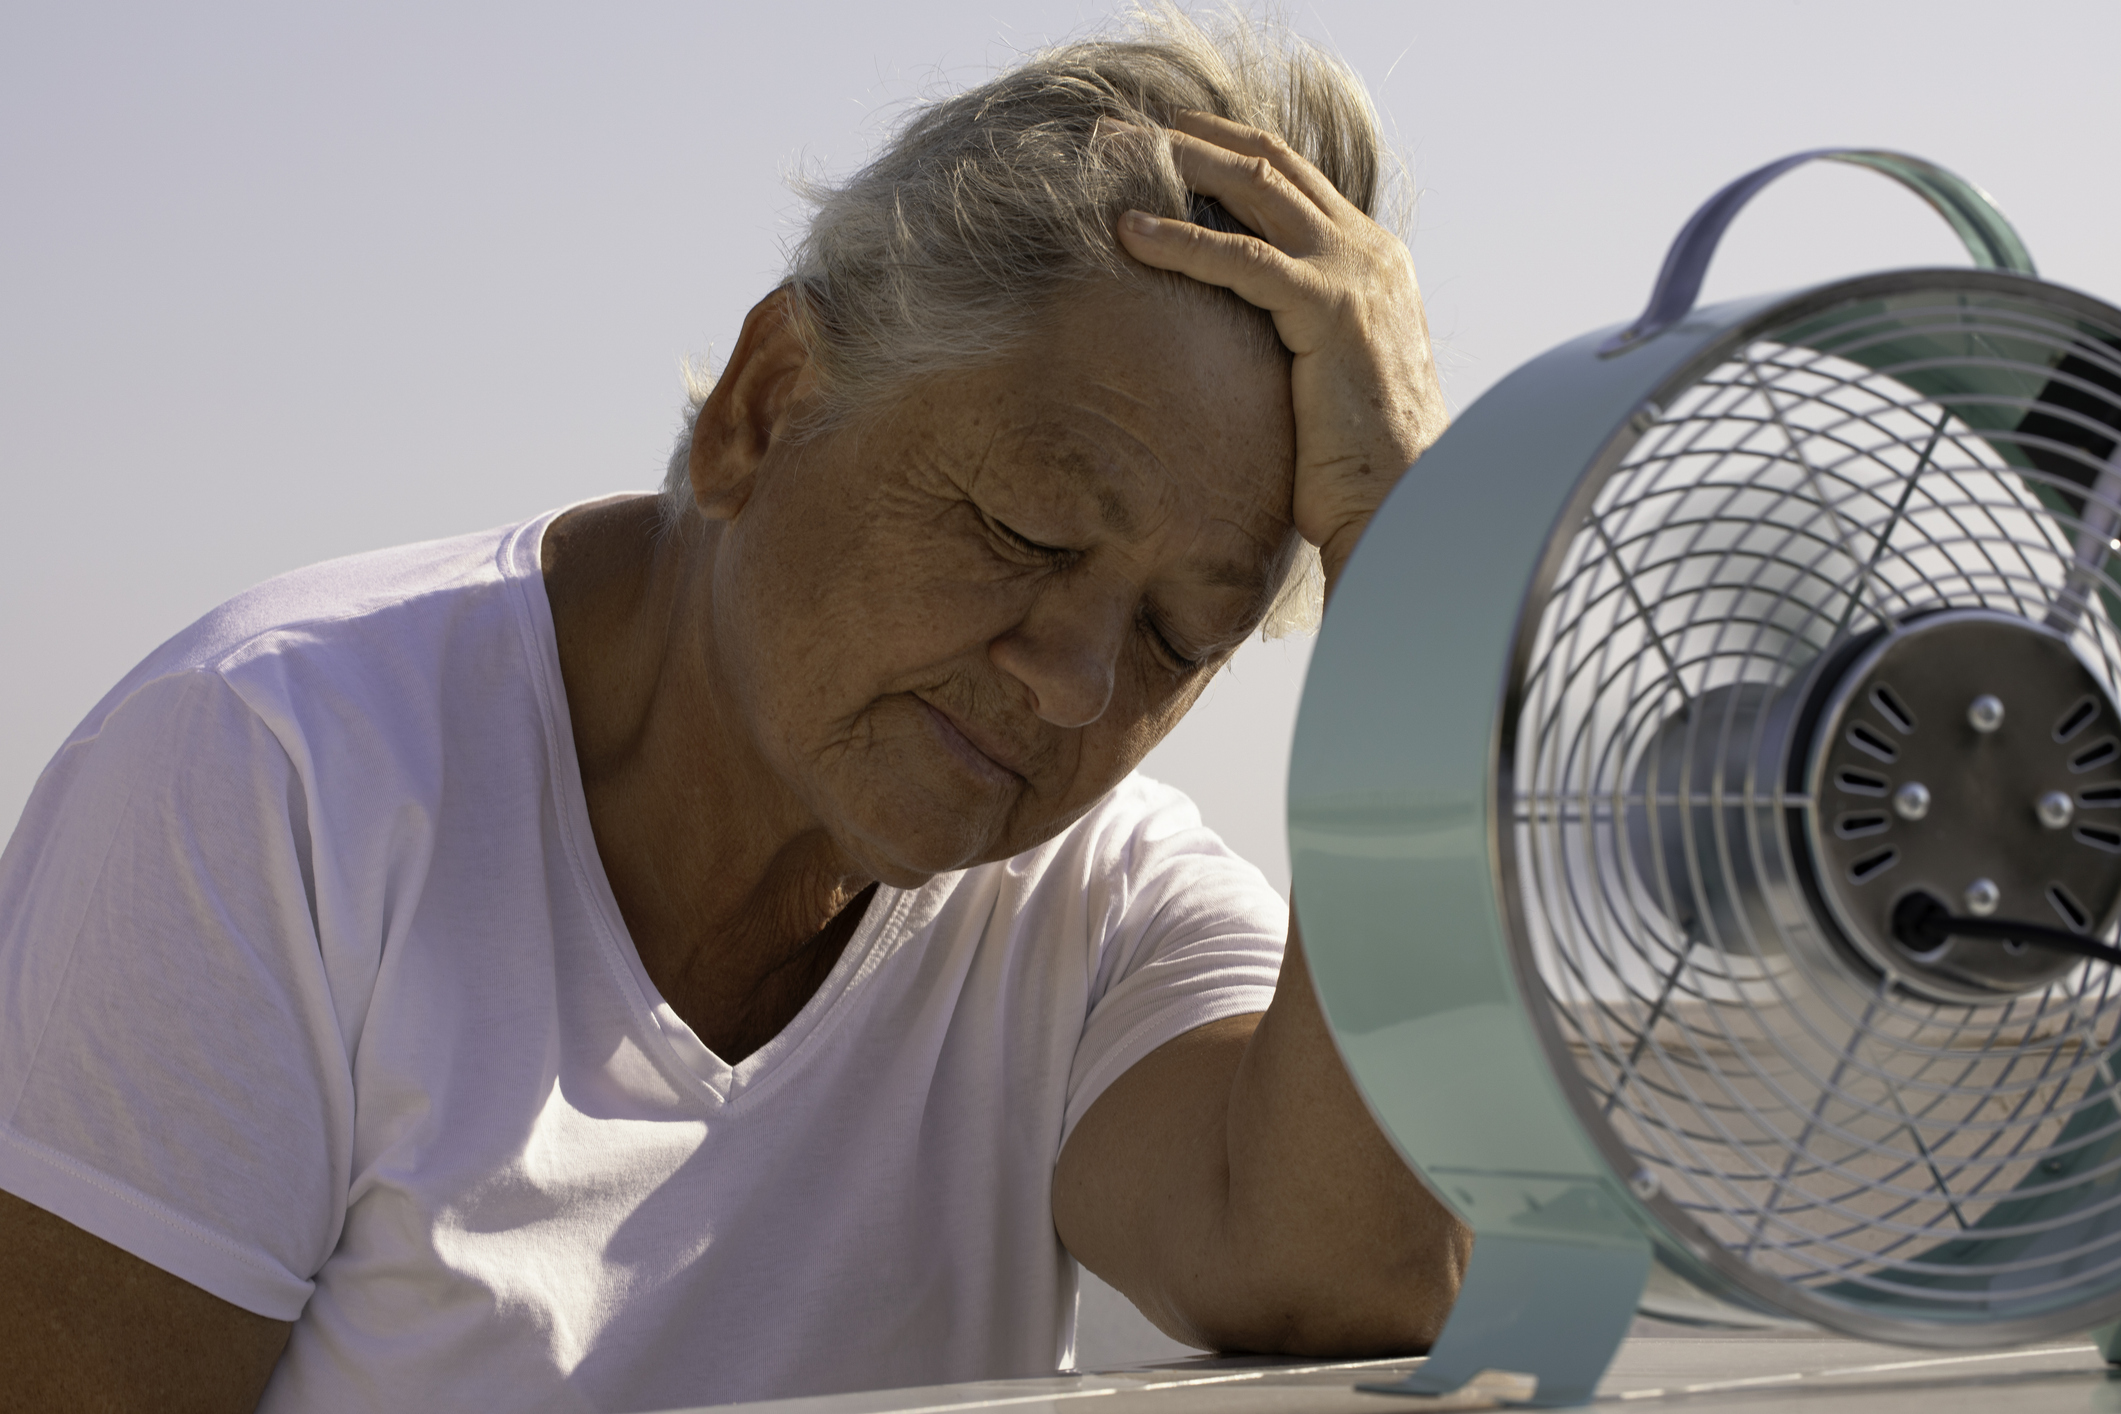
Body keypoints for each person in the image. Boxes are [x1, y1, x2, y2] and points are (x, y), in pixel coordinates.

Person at [0, 8, 1467, 1411]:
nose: (1076, 679)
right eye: (1026, 532)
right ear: (763, 406)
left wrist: (1413, 560)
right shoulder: (272, 772)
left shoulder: (1102, 907)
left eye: (1175, 634)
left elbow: (1353, 1273)